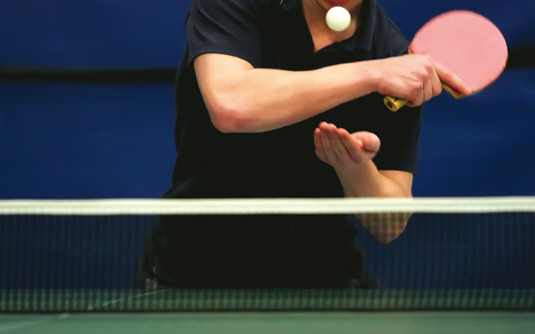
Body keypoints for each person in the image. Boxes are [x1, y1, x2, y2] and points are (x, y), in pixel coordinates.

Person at [138, 0, 471, 289]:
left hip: (321, 283)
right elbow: (231, 104)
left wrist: (353, 167)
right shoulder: (236, 5)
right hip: (192, 274)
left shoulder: (392, 55)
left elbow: (389, 224)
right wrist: (372, 75)